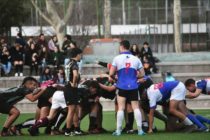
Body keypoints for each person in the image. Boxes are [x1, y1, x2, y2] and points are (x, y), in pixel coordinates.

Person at [109, 40, 145, 136]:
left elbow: (111, 74)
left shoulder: (117, 58)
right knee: (136, 107)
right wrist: (134, 77)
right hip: (133, 86)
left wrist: (116, 79)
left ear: (121, 46)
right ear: (128, 47)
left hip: (122, 86)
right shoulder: (136, 59)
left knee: (121, 108)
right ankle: (140, 130)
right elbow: (143, 74)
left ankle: (118, 131)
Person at [64, 47, 82, 136]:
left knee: (75, 109)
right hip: (71, 88)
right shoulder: (74, 64)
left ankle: (77, 129)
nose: (81, 57)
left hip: (67, 87)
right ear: (77, 55)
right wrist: (74, 83)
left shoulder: (68, 62)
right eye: (80, 55)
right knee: (71, 110)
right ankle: (67, 131)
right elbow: (75, 75)